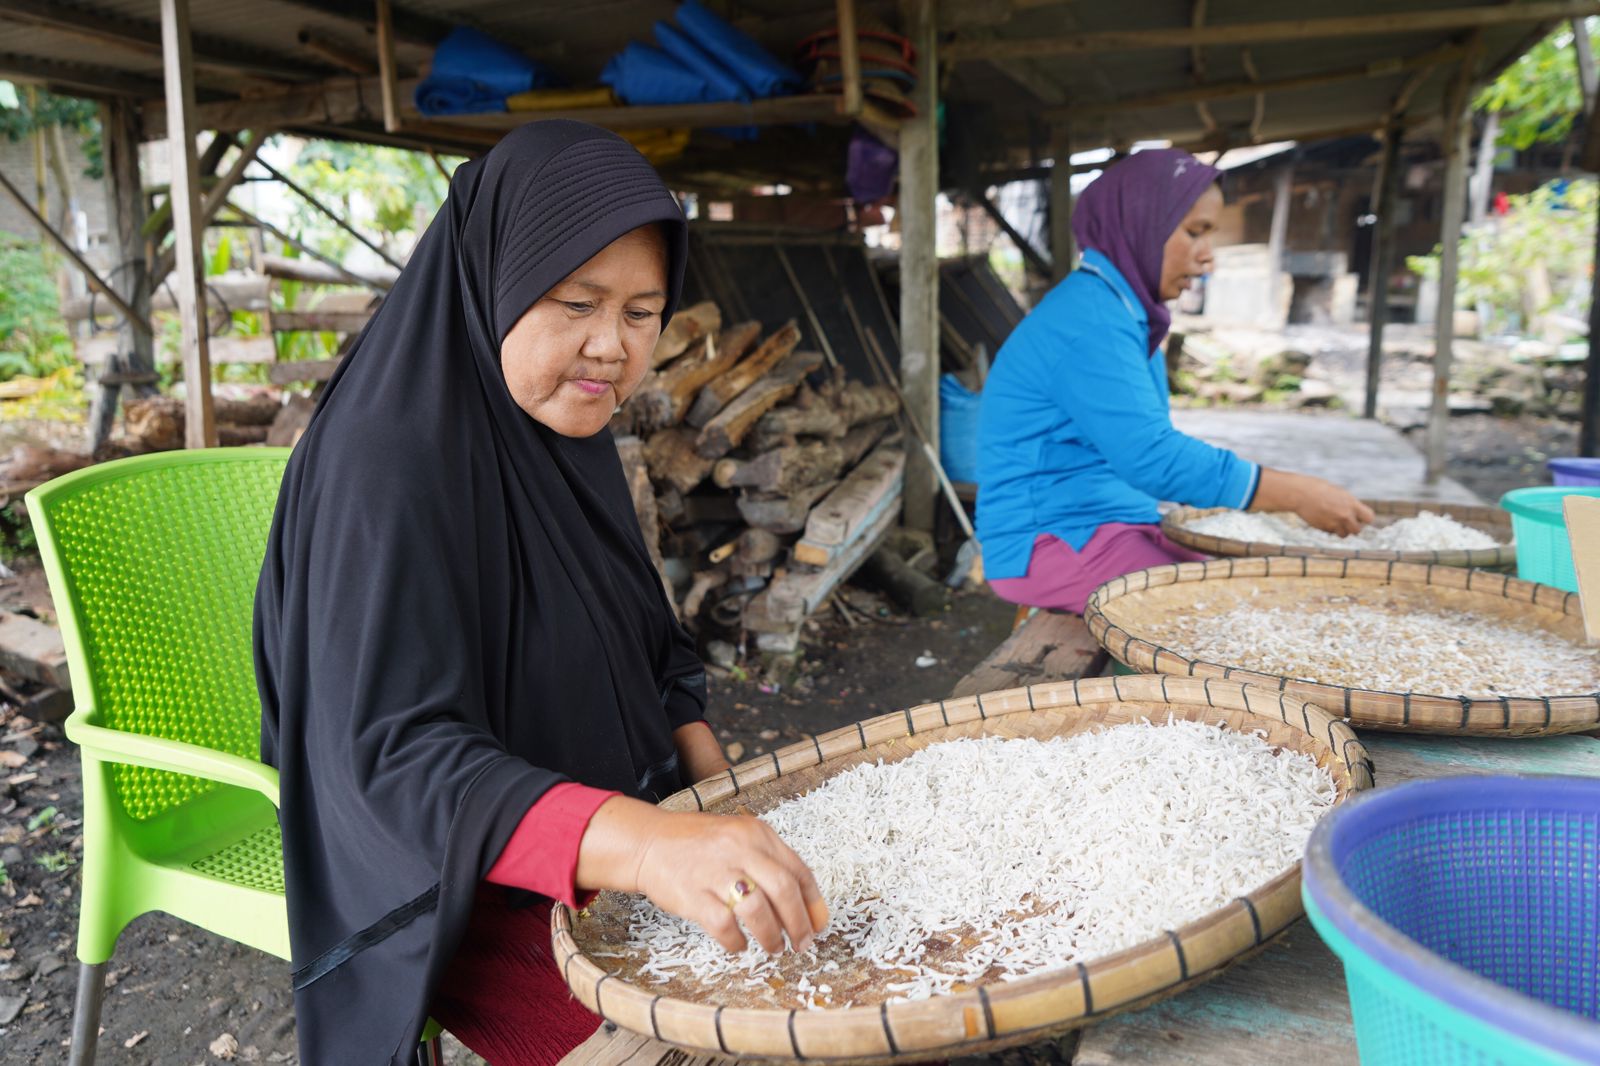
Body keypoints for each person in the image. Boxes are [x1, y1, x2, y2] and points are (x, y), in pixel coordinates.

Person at [253, 121, 825, 1066]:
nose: (611, 348)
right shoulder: (384, 465)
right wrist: (649, 850)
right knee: (738, 1046)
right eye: (576, 302)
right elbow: (393, 763)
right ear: (495, 280)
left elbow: (653, 653)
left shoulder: (563, 428)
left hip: (603, 819)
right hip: (453, 881)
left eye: (643, 314)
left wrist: (714, 805)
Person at [976, 149, 1373, 614]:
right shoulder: (1092, 321)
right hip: (1050, 540)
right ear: (1140, 225)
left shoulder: (1120, 312)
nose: (1208, 260)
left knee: (1247, 586)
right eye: (1194, 232)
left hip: (1107, 521)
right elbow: (1153, 458)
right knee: (1223, 614)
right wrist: (1296, 494)